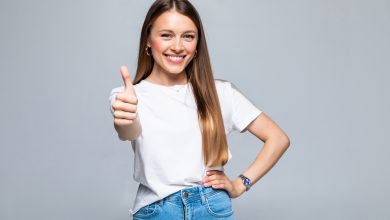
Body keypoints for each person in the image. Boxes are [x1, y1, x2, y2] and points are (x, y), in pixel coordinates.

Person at [109, 0, 290, 219]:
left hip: (211, 207)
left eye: (188, 36)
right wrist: (124, 120)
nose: (177, 46)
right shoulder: (128, 96)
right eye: (166, 35)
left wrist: (240, 184)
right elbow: (128, 131)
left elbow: (278, 138)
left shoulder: (221, 93)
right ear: (148, 40)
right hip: (156, 210)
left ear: (197, 45)